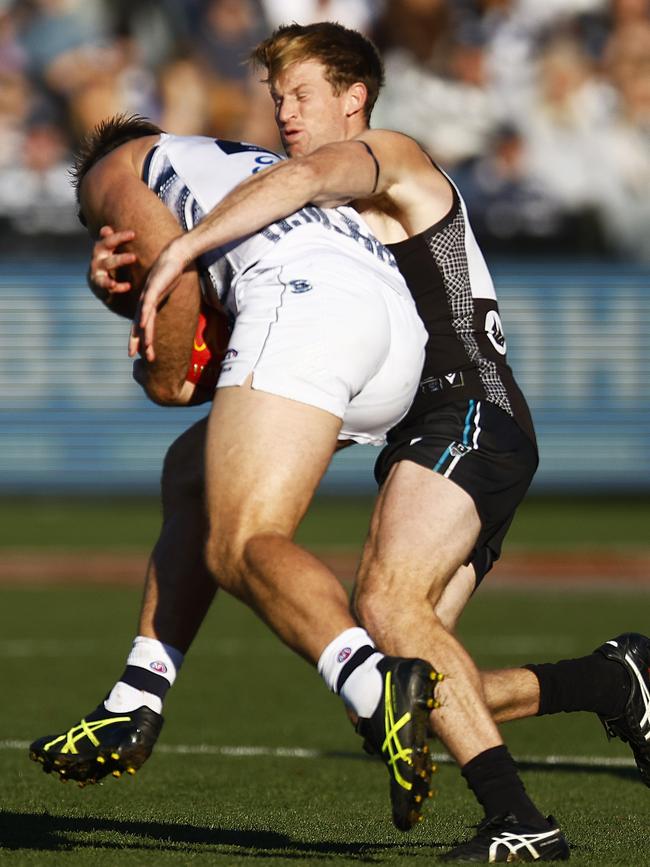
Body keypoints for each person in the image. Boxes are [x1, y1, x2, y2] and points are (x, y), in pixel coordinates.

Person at [133, 22, 648, 861]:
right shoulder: (326, 226)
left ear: (354, 98)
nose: (285, 112)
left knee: (385, 603)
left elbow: (302, 177)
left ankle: (521, 824)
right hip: (444, 429)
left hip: (468, 412)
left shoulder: (389, 154)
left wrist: (184, 242)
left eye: (301, 95)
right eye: (276, 97)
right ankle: (611, 680)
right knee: (409, 690)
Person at [29, 114, 442, 833]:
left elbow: (169, 271)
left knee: (241, 541)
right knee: (192, 468)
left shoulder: (114, 168)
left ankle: (374, 680)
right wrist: (145, 316)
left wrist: (145, 350)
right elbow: (214, 354)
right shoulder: (224, 162)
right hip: (395, 335)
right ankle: (138, 695)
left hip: (308, 297)